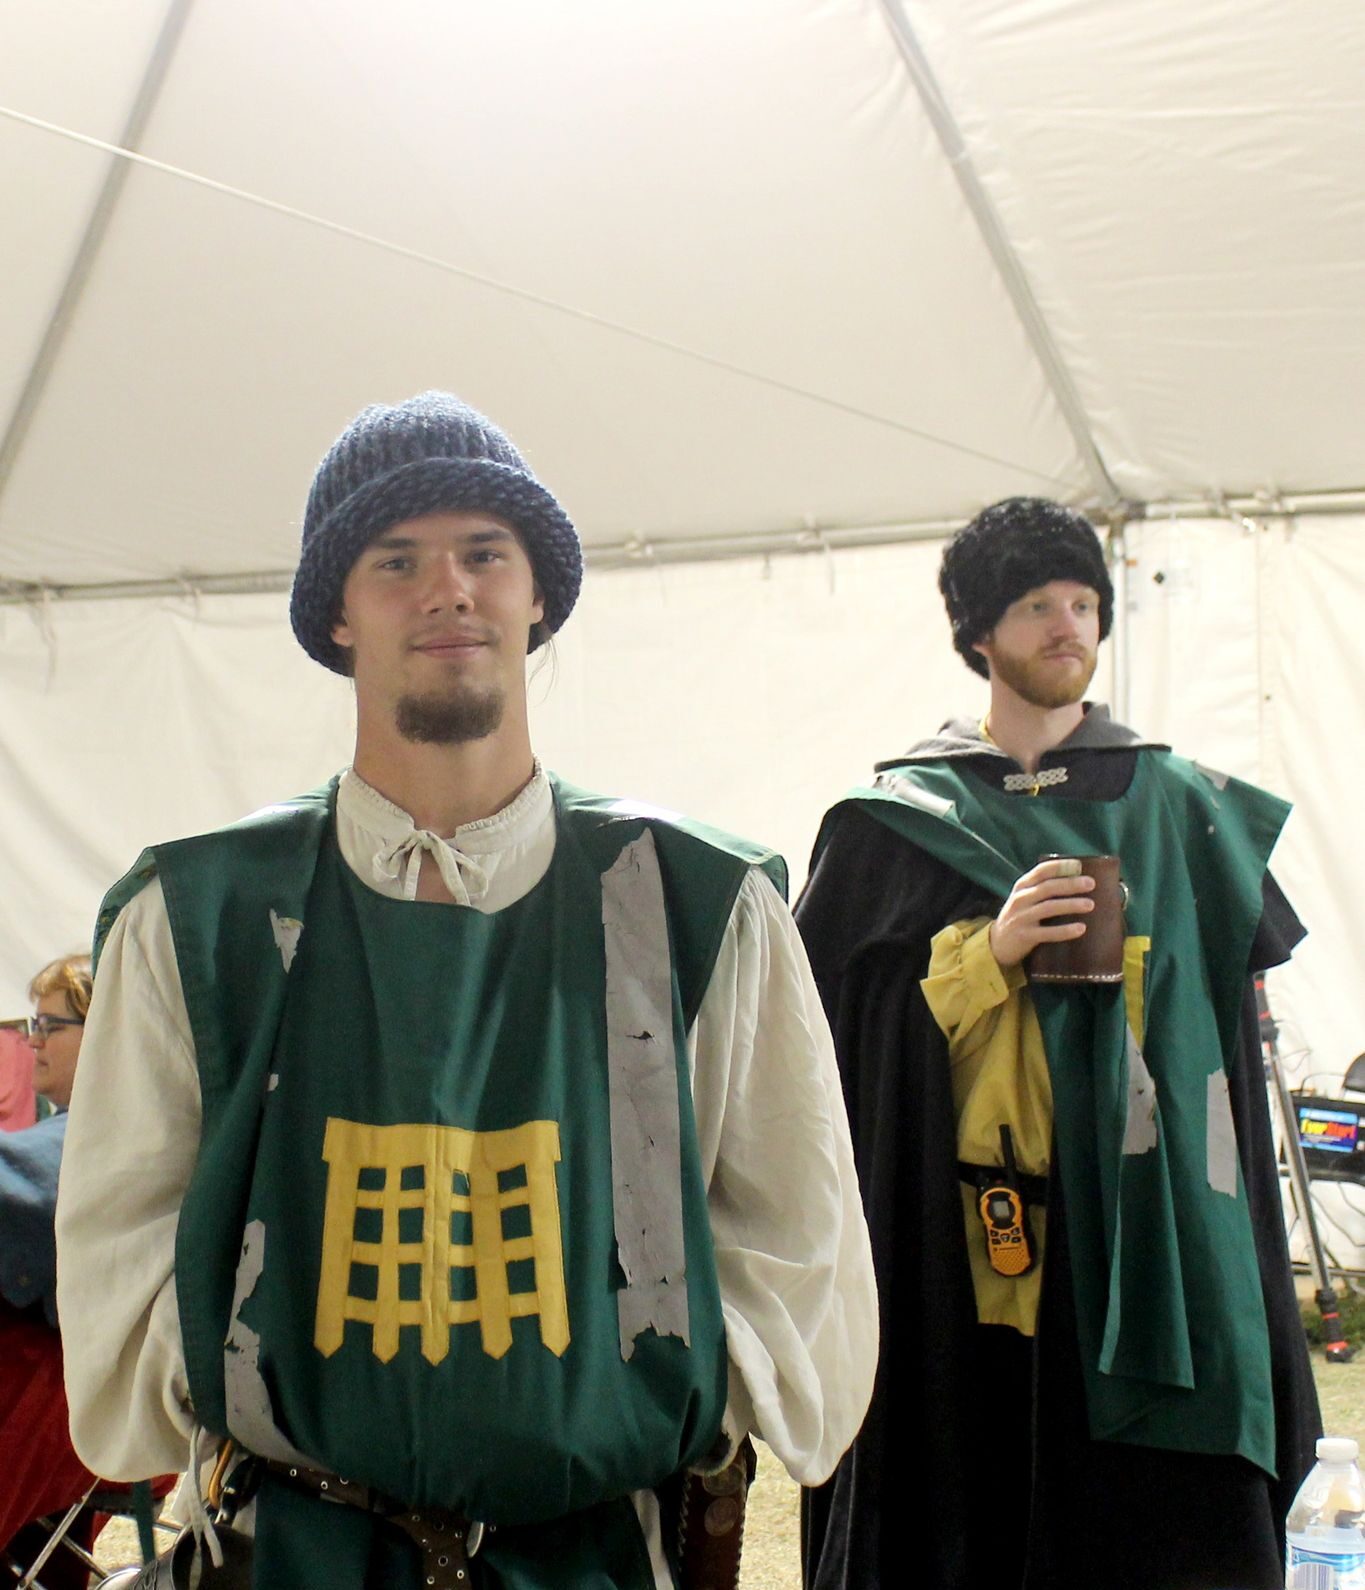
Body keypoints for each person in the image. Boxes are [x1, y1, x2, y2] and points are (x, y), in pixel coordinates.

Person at [56, 391, 876, 1590]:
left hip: (598, 1553)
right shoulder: (202, 916)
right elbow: (124, 1246)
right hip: (291, 1556)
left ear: (538, 595)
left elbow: (795, 1238)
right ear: (336, 612)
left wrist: (654, 1410)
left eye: (486, 554)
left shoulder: (695, 900)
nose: (450, 590)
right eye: (398, 561)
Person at [797, 497, 1319, 1590]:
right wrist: (983, 953)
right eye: (1037, 605)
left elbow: (1221, 1031)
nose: (1067, 626)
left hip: (1146, 1234)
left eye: (1083, 603)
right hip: (963, 1246)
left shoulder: (1178, 810)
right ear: (980, 635)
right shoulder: (899, 819)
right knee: (969, 1483)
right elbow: (829, 1045)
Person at [1, 955, 99, 1589]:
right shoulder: (79, 1130)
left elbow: (19, 1199)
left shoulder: (99, 1129)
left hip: (63, 1408)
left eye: (48, 1026)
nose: (30, 1041)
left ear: (105, 1030)